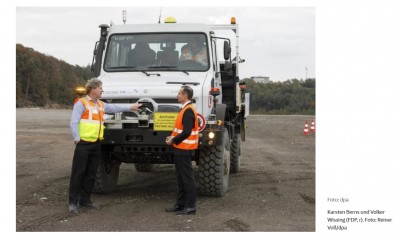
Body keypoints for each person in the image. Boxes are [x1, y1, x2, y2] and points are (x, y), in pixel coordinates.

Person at [68, 78, 141, 214]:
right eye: (100, 88)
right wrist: (77, 139)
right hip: (83, 144)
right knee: (78, 173)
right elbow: (74, 122)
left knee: (91, 174)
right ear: (93, 89)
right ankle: (73, 202)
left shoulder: (100, 104)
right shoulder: (81, 103)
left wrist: (132, 107)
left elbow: (115, 108)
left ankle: (85, 200)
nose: (102, 90)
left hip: (96, 144)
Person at [165, 85, 199, 215]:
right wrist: (172, 137)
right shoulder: (185, 109)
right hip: (180, 148)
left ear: (185, 95)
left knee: (187, 178)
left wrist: (173, 140)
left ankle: (190, 206)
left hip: (184, 148)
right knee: (180, 178)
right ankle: (180, 204)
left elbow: (186, 132)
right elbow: (181, 130)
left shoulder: (188, 110)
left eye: (179, 94)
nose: (177, 95)